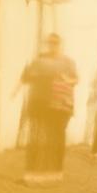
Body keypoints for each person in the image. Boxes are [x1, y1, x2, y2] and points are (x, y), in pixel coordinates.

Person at [20, 33, 78, 182]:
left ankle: (56, 171)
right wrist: (28, 75)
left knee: (58, 137)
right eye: (50, 43)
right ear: (48, 44)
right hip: (40, 104)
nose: (53, 45)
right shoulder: (39, 60)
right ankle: (35, 172)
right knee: (38, 137)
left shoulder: (68, 62)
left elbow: (76, 79)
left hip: (61, 106)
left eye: (56, 43)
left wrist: (67, 80)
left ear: (60, 44)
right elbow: (26, 78)